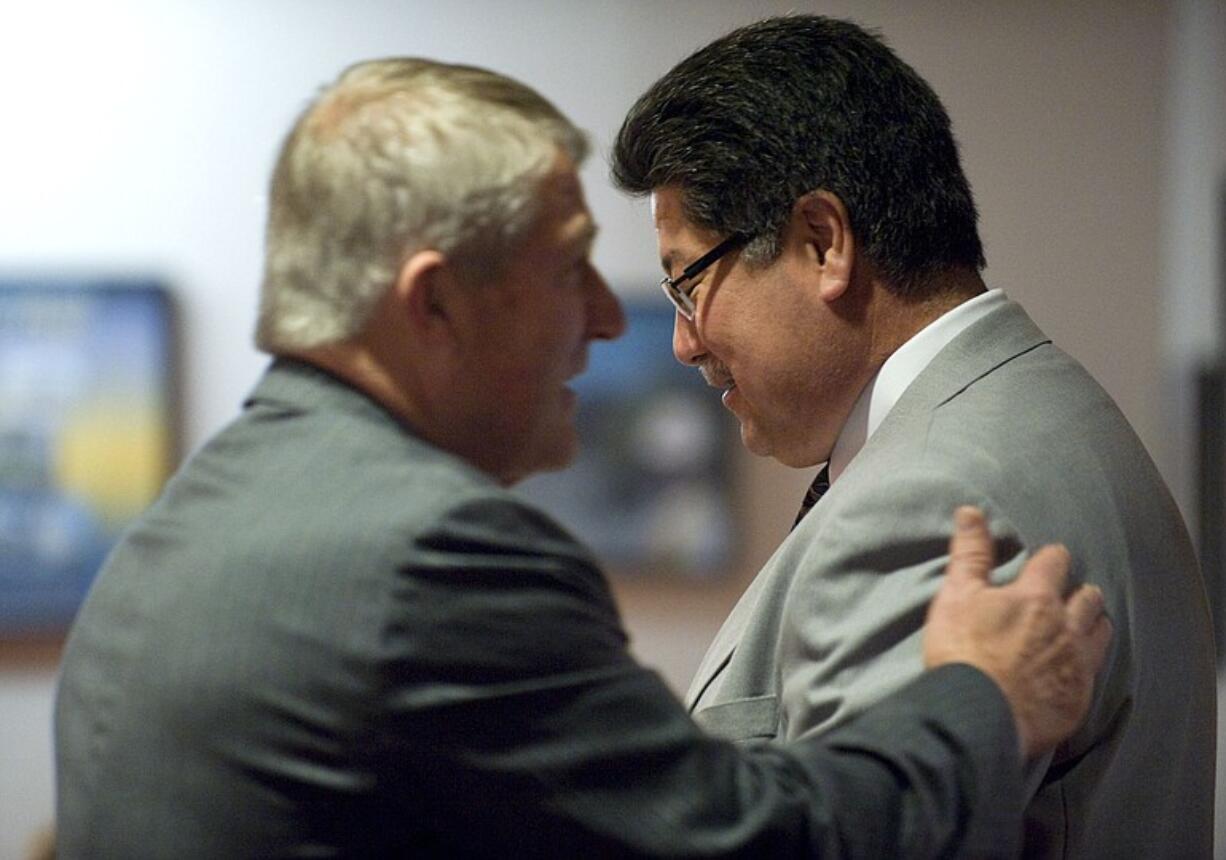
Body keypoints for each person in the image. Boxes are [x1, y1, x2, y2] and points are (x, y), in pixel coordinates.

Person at [54, 57, 1109, 858]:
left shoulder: (200, 510)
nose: (611, 322)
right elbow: (756, 842)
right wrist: (984, 692)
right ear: (434, 303)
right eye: (569, 270)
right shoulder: (431, 553)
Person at [612, 15, 1215, 859]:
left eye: (688, 284)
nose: (684, 342)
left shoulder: (930, 497)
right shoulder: (1044, 407)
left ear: (823, 243)